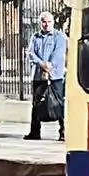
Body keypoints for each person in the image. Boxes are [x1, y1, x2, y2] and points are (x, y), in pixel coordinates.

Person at [27, 11, 68, 141]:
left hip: (55, 76)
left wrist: (49, 66)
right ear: (40, 23)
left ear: (53, 22)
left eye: (49, 22)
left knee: (58, 102)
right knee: (36, 103)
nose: (46, 25)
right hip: (38, 76)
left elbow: (58, 54)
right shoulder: (35, 37)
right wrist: (41, 64)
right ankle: (35, 132)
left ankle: (63, 131)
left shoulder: (59, 36)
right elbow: (31, 53)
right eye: (44, 22)